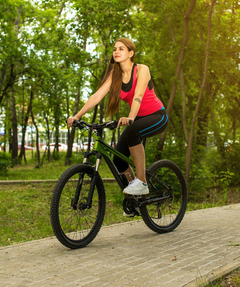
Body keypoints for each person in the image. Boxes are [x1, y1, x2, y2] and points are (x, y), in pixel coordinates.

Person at [67, 37, 168, 196]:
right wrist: (76, 116)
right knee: (118, 161)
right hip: (138, 119)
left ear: (131, 53)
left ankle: (141, 182)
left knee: (132, 130)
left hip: (157, 116)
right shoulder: (116, 74)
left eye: (121, 48)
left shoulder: (142, 69)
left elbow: (139, 95)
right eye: (115, 49)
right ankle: (135, 198)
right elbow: (96, 96)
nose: (116, 52)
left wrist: (130, 117)